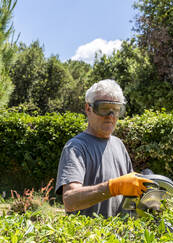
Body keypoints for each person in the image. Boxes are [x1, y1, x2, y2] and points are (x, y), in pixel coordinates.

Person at [55, 79, 152, 217]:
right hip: (90, 236)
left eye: (116, 110)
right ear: (88, 108)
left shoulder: (119, 145)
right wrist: (112, 187)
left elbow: (128, 195)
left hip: (119, 236)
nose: (111, 116)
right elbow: (70, 200)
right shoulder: (75, 148)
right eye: (104, 108)